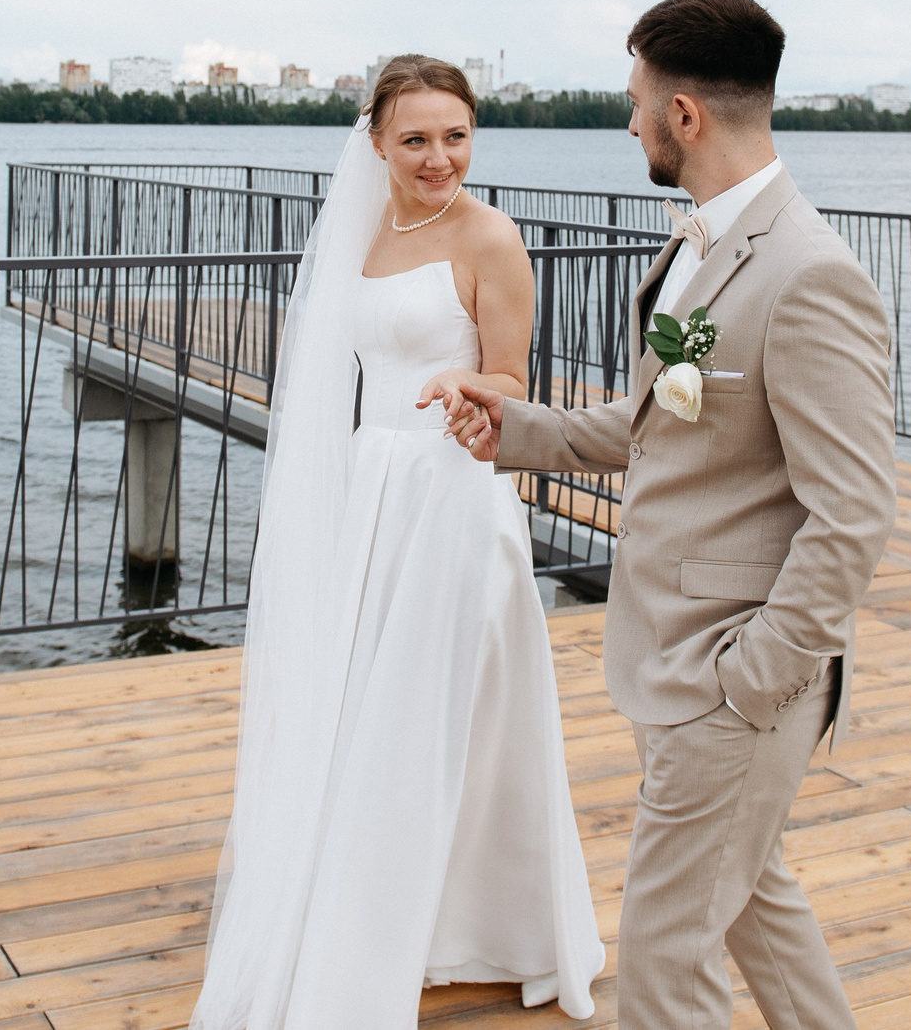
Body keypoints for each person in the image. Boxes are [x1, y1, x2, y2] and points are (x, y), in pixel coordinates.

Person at [441, 0, 898, 1030]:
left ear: (683, 114)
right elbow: (665, 425)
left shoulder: (808, 274)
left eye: (636, 98)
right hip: (680, 658)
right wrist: (514, 428)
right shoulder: (703, 247)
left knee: (661, 963)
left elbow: (855, 515)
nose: (627, 120)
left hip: (728, 680)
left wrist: (749, 682)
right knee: (754, 908)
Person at [191, 55, 603, 1030]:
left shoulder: (490, 236)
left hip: (453, 493)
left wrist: (470, 393)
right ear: (375, 141)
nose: (437, 157)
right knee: (363, 707)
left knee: (444, 712)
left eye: (454, 135)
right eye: (415, 137)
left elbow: (510, 373)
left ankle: (489, 923)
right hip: (371, 489)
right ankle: (385, 920)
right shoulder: (354, 233)